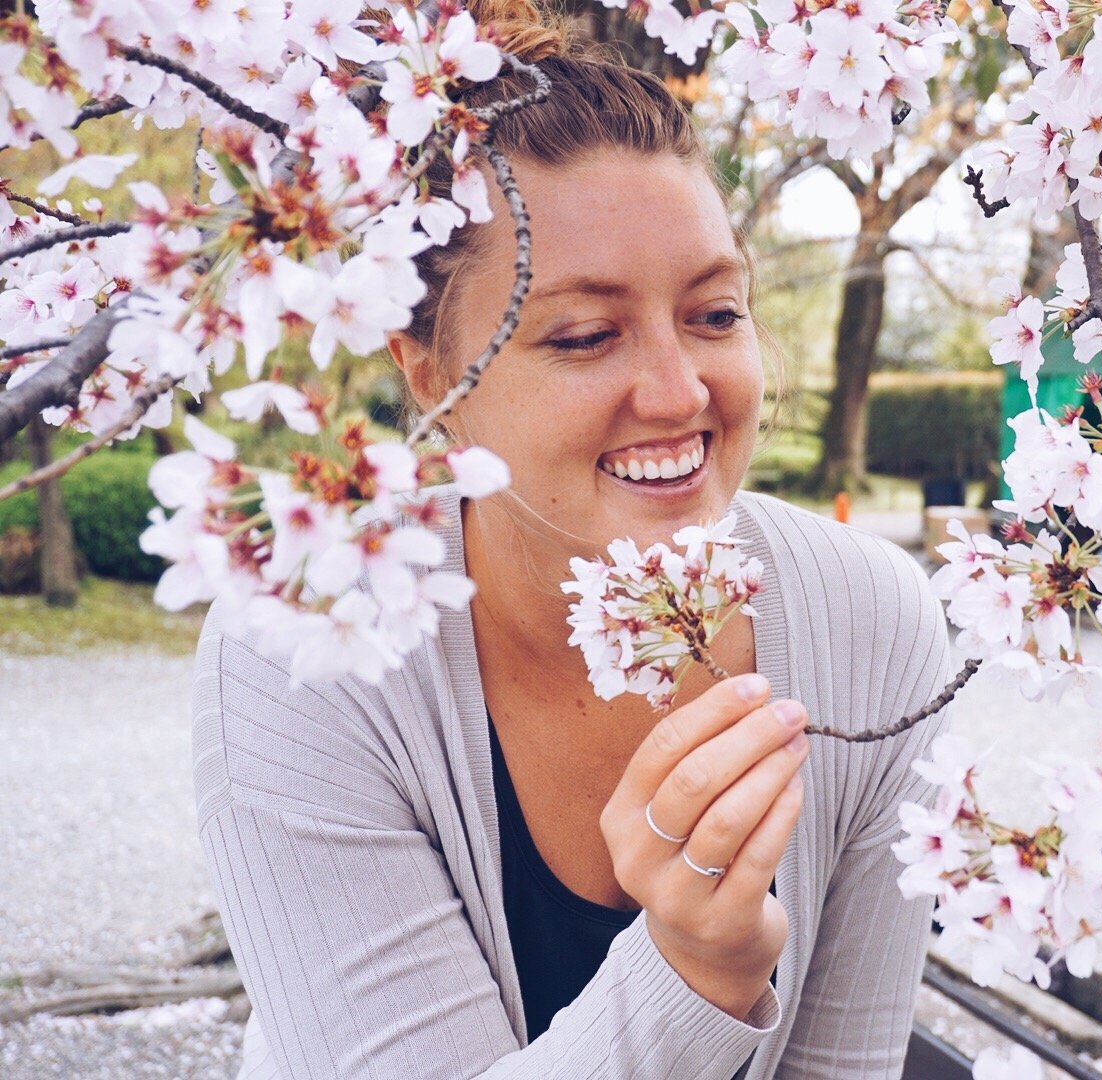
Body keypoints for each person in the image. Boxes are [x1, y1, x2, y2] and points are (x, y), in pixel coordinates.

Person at [189, 3, 957, 1077]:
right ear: (429, 371)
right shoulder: (305, 650)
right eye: (586, 335)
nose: (679, 389)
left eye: (716, 314)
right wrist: (693, 972)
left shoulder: (871, 621)